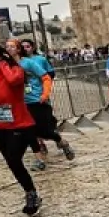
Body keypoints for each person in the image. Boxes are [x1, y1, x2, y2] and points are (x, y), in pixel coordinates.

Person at [0, 43, 42, 215]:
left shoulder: (15, 69)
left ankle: (31, 193)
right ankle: (30, 192)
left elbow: (13, 81)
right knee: (12, 163)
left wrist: (4, 64)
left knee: (13, 159)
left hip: (19, 123)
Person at [14, 40, 77, 168]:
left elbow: (49, 75)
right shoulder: (11, 64)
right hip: (23, 102)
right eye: (24, 46)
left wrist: (44, 92)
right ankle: (39, 158)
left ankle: (61, 141)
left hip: (38, 98)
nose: (26, 48)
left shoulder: (37, 60)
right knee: (29, 131)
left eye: (28, 46)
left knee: (45, 129)